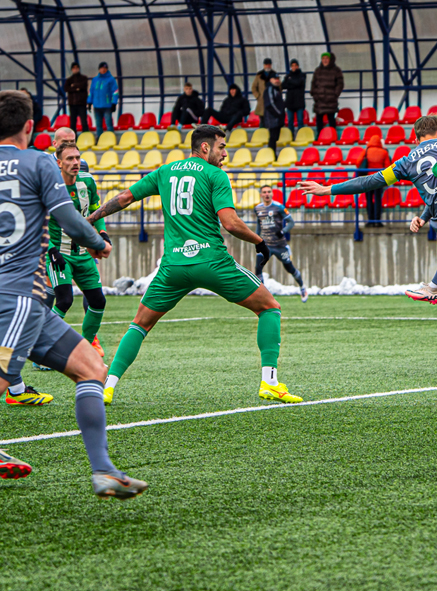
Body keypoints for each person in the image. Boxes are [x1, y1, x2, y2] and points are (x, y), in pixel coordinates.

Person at [88, 124, 302, 406]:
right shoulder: (216, 175)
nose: (224, 154)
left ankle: (107, 386)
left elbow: (125, 198)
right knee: (269, 308)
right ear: (205, 147)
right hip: (212, 262)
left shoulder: (165, 171)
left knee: (139, 324)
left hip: (173, 267)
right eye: (221, 147)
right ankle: (270, 383)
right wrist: (259, 241)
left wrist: (90, 219)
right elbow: (230, 223)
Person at [0, 90, 145, 498]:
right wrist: (97, 241)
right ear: (31, 127)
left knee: (91, 368)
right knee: (2, 377)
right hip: (18, 296)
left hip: (29, 305)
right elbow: (66, 215)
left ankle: (104, 471)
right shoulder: (39, 162)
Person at [299, 114, 437, 397]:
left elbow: (371, 181)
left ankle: (435, 287)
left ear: (416, 138)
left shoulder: (407, 161)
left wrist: (328, 189)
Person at [44, 142, 110, 368]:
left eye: (77, 158)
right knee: (64, 300)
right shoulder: (50, 186)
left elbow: (96, 211)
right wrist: (51, 249)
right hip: (59, 253)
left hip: (83, 253)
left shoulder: (88, 182)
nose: (75, 162)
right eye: (70, 159)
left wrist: (103, 234)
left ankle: (86, 348)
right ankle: (46, 351)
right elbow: (37, 221)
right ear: (59, 163)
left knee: (98, 301)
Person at [254, 186, 308, 301]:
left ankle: (302, 287)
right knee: (258, 268)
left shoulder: (279, 207)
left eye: (269, 192)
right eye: (264, 192)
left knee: (289, 268)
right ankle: (263, 296)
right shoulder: (258, 208)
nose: (267, 194)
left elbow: (291, 222)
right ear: (261, 195)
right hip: (266, 246)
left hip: (280, 246)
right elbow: (259, 225)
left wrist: (282, 231)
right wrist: (256, 239)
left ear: (272, 194)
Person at [310, 51, 344, 133]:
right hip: (319, 101)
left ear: (330, 60)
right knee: (319, 120)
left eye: (326, 58)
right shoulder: (318, 70)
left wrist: (334, 95)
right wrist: (315, 94)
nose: (325, 60)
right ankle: (320, 136)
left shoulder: (336, 70)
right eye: (323, 58)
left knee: (331, 119)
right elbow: (313, 83)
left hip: (331, 101)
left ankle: (333, 135)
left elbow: (340, 84)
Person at [89, 62, 119, 132]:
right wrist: (89, 102)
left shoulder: (111, 79)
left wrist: (114, 103)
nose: (103, 70)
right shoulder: (95, 79)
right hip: (97, 105)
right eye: (102, 68)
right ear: (99, 69)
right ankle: (99, 137)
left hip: (107, 105)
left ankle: (111, 136)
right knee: (98, 124)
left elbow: (115, 92)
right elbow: (91, 91)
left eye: (105, 68)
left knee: (109, 123)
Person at [262, 73, 286, 154]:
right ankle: (271, 154)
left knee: (275, 137)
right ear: (270, 80)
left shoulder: (276, 89)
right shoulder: (270, 89)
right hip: (272, 118)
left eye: (278, 79)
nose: (277, 80)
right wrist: (279, 114)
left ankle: (272, 154)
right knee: (273, 138)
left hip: (277, 118)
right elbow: (270, 104)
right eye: (275, 79)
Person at [282, 60, 306, 134]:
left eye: (295, 65)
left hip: (299, 102)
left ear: (298, 66)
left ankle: (301, 135)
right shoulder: (288, 76)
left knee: (300, 121)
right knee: (290, 121)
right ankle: (290, 136)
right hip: (290, 102)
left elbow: (299, 83)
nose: (294, 67)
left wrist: (290, 82)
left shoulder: (302, 75)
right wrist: (293, 83)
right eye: (292, 66)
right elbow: (283, 85)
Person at [65, 62, 89, 132]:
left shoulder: (84, 78)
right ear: (72, 69)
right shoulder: (69, 80)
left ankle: (86, 136)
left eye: (77, 68)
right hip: (72, 104)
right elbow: (66, 88)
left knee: (84, 122)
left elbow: (83, 86)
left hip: (81, 103)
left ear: (79, 68)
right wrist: (77, 88)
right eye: (74, 68)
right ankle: (73, 136)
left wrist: (73, 86)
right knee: (72, 123)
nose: (75, 69)